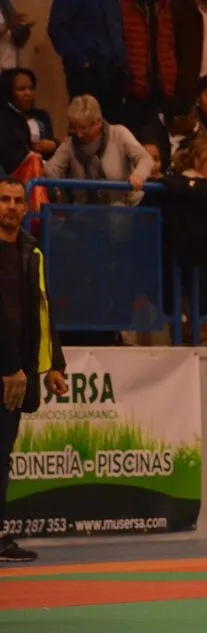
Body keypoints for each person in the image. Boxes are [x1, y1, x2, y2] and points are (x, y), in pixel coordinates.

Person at [0, 178, 69, 562]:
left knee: (1, 456)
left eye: (16, 201)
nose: (10, 206)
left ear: (25, 208)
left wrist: (53, 365)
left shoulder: (31, 251)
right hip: (8, 370)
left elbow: (42, 311)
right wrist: (9, 366)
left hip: (17, 375)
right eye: (3, 200)